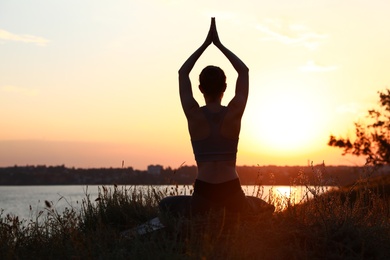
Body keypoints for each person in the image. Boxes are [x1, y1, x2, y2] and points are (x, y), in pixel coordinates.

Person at [159, 18, 274, 218]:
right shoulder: (234, 112)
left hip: (204, 192)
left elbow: (183, 73)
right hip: (232, 191)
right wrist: (220, 45)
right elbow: (244, 71)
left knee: (165, 204)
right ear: (225, 88)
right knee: (263, 207)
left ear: (200, 88)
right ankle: (242, 212)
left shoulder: (193, 114)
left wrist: (205, 44)